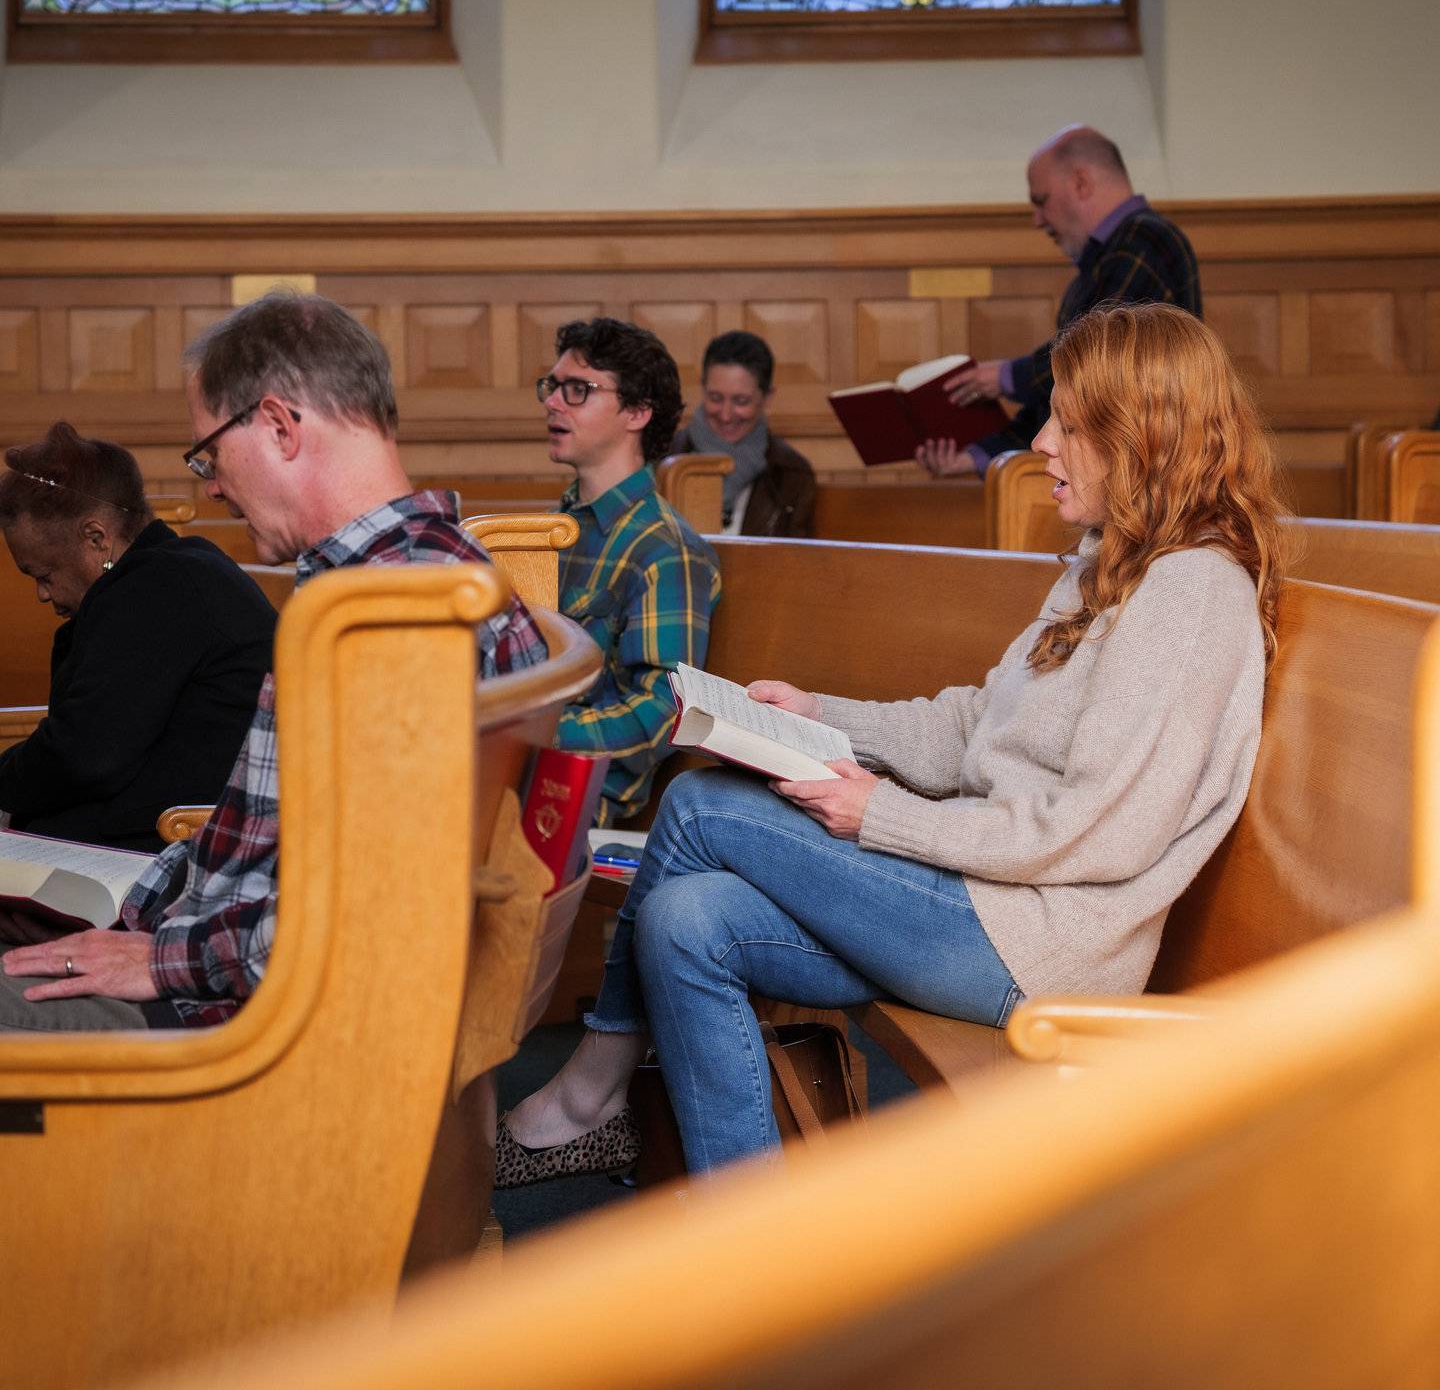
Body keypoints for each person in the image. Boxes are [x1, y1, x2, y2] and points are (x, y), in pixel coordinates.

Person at [498, 302, 1286, 1182]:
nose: (1042, 444)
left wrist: (883, 818)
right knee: (686, 921)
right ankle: (753, 1245)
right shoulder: (1113, 561)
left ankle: (588, 1096)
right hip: (976, 898)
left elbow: (1102, 830)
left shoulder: (1190, 594)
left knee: (698, 804)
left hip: (1037, 944)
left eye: (1066, 422)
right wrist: (818, 716)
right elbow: (970, 727)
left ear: (1137, 435)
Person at [0, 290, 548, 1032]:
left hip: (252, 1031)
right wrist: (129, 921)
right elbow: (260, 830)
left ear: (280, 427)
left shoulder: (395, 611)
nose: (215, 486)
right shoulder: (417, 576)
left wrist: (155, 958)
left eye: (211, 456)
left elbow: (373, 907)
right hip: (223, 969)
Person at [0, 423, 274, 852]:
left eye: (44, 574)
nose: (43, 594)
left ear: (96, 537)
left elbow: (84, 756)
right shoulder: (170, 571)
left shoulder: (160, 586)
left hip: (171, 855)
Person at [918, 125, 1202, 480]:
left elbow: (1095, 361)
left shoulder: (1145, 240)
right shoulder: (1108, 256)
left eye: (1041, 201)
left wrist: (1007, 377)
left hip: (1146, 478)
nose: (1037, 220)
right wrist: (975, 457)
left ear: (1081, 183)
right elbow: (1065, 397)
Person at [543, 317, 722, 827]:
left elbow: (660, 715)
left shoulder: (665, 550)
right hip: (519, 765)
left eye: (578, 390)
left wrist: (523, 731)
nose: (554, 402)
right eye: (552, 387)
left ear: (638, 412)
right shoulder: (555, 531)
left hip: (574, 797)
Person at [670, 331, 816, 537]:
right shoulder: (664, 458)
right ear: (703, 389)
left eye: (741, 401)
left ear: (767, 398)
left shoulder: (792, 474)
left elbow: (795, 564)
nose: (726, 415)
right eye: (715, 398)